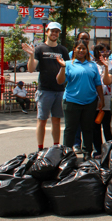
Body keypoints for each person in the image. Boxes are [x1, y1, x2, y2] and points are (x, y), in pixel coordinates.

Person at [21, 22, 70, 151]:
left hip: (60, 90)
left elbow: (68, 68)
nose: (54, 34)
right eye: (52, 31)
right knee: (42, 120)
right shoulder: (39, 49)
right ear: (47, 31)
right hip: (45, 90)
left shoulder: (63, 50)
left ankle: (55, 148)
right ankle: (40, 149)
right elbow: (31, 69)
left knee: (56, 121)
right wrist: (31, 55)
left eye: (57, 31)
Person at [57, 40, 104, 159]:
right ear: (74, 49)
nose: (81, 50)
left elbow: (98, 83)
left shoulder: (92, 65)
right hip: (72, 101)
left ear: (87, 50)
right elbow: (60, 81)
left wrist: (101, 99)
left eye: (84, 48)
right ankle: (67, 154)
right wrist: (62, 67)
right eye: (79, 48)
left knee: (88, 129)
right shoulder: (67, 64)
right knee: (70, 129)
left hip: (90, 102)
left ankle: (87, 153)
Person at [93, 43, 112, 150]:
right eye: (102, 51)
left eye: (107, 51)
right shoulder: (92, 65)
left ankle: (110, 149)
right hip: (95, 99)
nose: (105, 53)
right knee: (96, 126)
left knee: (107, 126)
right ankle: (98, 150)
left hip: (108, 99)